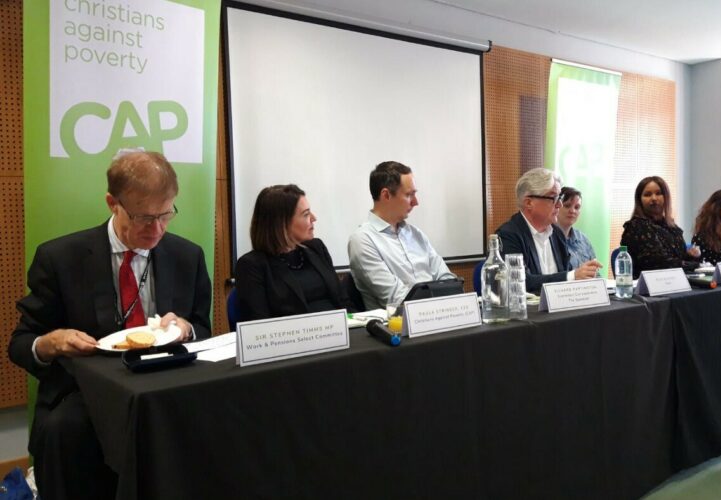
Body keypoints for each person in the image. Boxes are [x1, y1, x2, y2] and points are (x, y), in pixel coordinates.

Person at [7, 150, 211, 499]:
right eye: (145, 218)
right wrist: (52, 342)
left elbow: (203, 331)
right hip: (86, 394)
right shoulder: (60, 258)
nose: (157, 229)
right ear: (112, 204)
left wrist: (186, 329)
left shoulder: (187, 256)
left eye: (166, 215)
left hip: (165, 387)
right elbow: (21, 344)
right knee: (64, 433)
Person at [236, 184, 353, 320]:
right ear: (281, 224)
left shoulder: (316, 248)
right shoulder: (252, 266)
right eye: (306, 214)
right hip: (298, 338)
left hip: (342, 333)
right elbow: (258, 325)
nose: (314, 218)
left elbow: (344, 302)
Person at [348, 161, 452, 310]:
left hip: (437, 317)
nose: (416, 202)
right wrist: (441, 302)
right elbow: (397, 299)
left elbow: (447, 280)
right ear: (386, 195)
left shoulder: (416, 234)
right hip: (398, 327)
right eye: (409, 195)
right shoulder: (362, 240)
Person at [496, 168, 602, 292]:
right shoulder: (507, 236)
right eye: (553, 198)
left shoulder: (557, 234)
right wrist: (573, 276)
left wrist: (584, 277)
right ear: (529, 203)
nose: (559, 205)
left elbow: (565, 273)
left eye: (559, 198)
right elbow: (520, 282)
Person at [620, 176, 701, 278]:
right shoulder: (637, 227)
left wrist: (691, 256)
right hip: (648, 287)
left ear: (666, 197)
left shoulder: (672, 227)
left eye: (658, 193)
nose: (654, 198)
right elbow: (660, 264)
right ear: (639, 200)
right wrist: (694, 265)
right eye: (647, 194)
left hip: (675, 281)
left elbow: (679, 258)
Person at [556, 186, 598, 270]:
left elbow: (595, 273)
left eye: (577, 207)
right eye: (567, 206)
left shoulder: (583, 239)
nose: (572, 211)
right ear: (556, 207)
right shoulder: (548, 240)